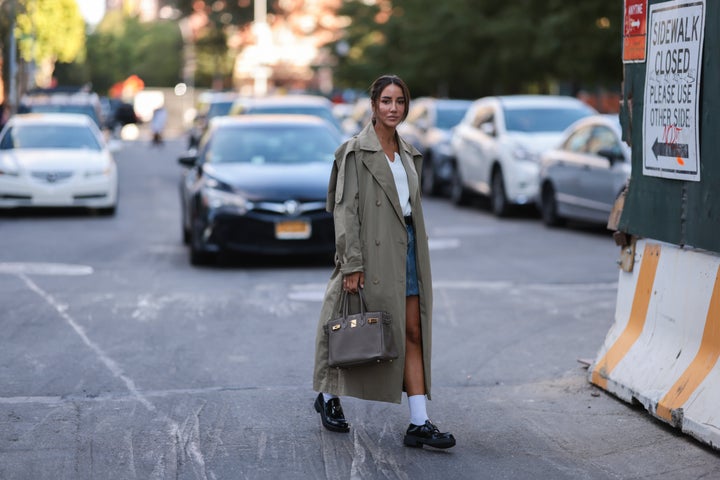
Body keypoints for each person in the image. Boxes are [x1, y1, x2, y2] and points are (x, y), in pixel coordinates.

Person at [312, 74, 455, 449]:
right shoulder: (354, 152)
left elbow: (411, 208)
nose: (394, 108)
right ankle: (328, 397)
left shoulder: (409, 153)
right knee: (348, 325)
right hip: (370, 254)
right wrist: (352, 263)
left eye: (400, 102)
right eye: (387, 101)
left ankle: (419, 422)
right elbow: (345, 212)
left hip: (405, 249)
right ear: (373, 105)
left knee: (411, 332)